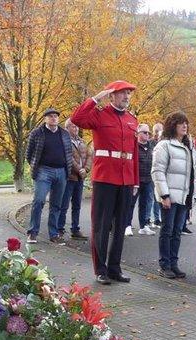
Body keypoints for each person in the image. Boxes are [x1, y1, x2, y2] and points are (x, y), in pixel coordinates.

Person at [71, 80, 139, 285]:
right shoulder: (99, 115)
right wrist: (96, 98)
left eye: (128, 93)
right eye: (121, 93)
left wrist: (135, 180)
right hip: (105, 178)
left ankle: (114, 268)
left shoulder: (132, 120)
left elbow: (133, 153)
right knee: (101, 225)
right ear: (111, 96)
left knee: (120, 227)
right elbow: (77, 118)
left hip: (125, 179)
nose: (126, 97)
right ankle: (100, 269)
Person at [151, 112, 196, 279]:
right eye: (180, 123)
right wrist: (164, 195)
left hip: (184, 197)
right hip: (169, 197)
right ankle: (165, 265)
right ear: (173, 125)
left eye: (186, 123)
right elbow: (158, 171)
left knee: (177, 231)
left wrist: (194, 195)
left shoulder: (188, 147)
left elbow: (193, 174)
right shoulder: (164, 146)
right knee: (167, 230)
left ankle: (174, 263)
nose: (184, 126)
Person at [25, 108, 74, 245]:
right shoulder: (37, 133)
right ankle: (32, 233)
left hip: (61, 172)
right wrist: (36, 166)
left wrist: (66, 170)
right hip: (43, 171)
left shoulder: (64, 134)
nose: (54, 118)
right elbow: (29, 154)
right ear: (45, 118)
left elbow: (68, 153)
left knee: (56, 205)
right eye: (50, 116)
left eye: (56, 116)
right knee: (39, 200)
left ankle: (54, 234)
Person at [56, 118, 90, 240]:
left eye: (77, 127)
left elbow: (89, 157)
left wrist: (85, 170)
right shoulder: (64, 141)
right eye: (73, 126)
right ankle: (59, 229)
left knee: (77, 205)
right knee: (64, 205)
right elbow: (68, 158)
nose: (75, 129)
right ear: (67, 128)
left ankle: (75, 229)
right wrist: (79, 170)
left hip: (80, 178)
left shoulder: (82, 142)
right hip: (69, 178)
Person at [126, 124, 156, 236]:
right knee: (131, 203)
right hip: (136, 180)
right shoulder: (134, 146)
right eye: (144, 132)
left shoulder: (151, 147)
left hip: (148, 180)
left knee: (145, 204)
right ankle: (127, 225)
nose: (147, 135)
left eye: (148, 133)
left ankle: (143, 226)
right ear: (138, 134)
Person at [149, 122, 164, 228]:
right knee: (151, 197)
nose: (157, 133)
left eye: (160, 130)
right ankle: (150, 218)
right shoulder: (150, 143)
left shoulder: (164, 144)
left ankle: (157, 218)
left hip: (160, 173)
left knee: (158, 196)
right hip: (150, 173)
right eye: (156, 130)